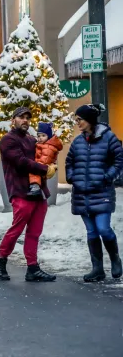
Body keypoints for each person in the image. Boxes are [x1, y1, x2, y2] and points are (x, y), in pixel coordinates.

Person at [0, 107, 57, 282]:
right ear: (13, 120)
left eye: (28, 117)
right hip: (20, 191)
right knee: (17, 229)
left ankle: (33, 268)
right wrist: (45, 168)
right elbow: (20, 162)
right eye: (21, 117)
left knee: (34, 232)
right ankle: (1, 260)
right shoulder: (7, 140)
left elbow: (42, 155)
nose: (25, 120)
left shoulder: (31, 139)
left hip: (38, 192)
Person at [66, 104, 123, 282]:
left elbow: (119, 160)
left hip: (102, 191)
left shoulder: (109, 138)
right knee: (91, 231)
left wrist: (108, 177)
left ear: (89, 120)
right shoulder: (78, 141)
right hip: (82, 194)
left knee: (104, 229)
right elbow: (69, 162)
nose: (77, 123)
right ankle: (97, 268)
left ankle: (115, 259)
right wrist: (72, 177)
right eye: (76, 120)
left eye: (79, 120)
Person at [28, 122, 63, 197]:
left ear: (49, 136)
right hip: (42, 164)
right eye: (39, 136)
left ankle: (35, 188)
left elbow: (46, 158)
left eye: (43, 135)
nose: (40, 138)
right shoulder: (43, 144)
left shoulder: (48, 146)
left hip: (44, 165)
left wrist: (38, 165)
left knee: (34, 172)